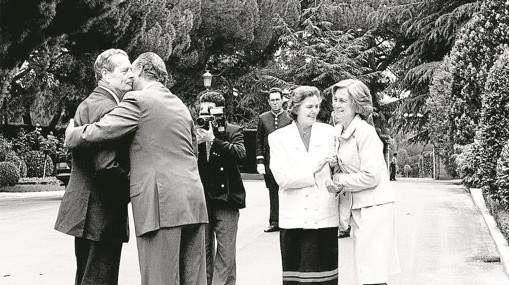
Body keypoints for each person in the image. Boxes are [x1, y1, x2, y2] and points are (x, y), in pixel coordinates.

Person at [64, 52, 208, 285]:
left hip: (160, 204)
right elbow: (194, 151)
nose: (130, 76)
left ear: (141, 70)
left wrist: (72, 135)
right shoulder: (180, 105)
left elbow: (102, 129)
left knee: (160, 279)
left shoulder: (139, 100)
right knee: (193, 279)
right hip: (194, 201)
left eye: (132, 70)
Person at [54, 48, 134, 285]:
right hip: (103, 212)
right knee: (100, 278)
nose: (131, 75)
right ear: (105, 75)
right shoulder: (111, 109)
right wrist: (134, 188)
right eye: (125, 70)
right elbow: (107, 166)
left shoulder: (87, 103)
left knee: (86, 276)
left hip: (85, 211)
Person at [329, 79, 400, 285]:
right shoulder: (338, 130)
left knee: (372, 270)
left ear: (356, 105)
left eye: (343, 100)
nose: (337, 104)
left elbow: (371, 176)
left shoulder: (365, 132)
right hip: (359, 207)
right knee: (365, 269)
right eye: (335, 99)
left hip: (376, 207)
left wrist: (340, 179)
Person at [268, 86, 339, 285]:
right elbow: (282, 179)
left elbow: (339, 169)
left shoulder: (330, 133)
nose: (314, 111)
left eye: (317, 106)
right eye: (309, 106)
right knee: (296, 279)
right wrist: (313, 170)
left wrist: (336, 170)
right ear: (296, 108)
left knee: (325, 279)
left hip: (324, 217)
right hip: (294, 219)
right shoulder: (277, 138)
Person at [196, 91, 246, 285]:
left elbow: (241, 154)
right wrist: (196, 142)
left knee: (226, 253)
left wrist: (213, 140)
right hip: (203, 199)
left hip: (226, 199)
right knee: (204, 252)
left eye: (208, 111)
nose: (204, 116)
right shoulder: (195, 132)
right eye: (201, 111)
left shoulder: (232, 130)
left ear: (219, 112)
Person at [255, 87, 292, 233]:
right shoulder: (263, 118)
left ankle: (288, 220)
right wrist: (260, 162)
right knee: (273, 191)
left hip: (286, 160)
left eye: (277, 99)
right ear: (268, 101)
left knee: (288, 190)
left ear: (282, 100)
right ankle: (274, 221)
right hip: (270, 161)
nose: (275, 102)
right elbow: (258, 142)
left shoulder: (290, 117)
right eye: (272, 100)